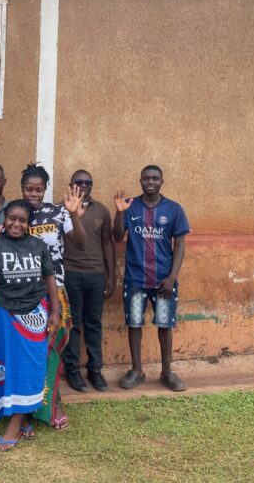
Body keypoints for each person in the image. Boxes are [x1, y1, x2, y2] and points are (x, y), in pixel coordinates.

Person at [0, 200, 60, 451]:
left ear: (28, 223)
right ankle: (18, 415)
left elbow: (49, 277)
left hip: (35, 312)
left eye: (22, 220)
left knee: (31, 365)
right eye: (12, 218)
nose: (16, 224)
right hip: (5, 312)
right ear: (5, 218)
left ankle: (18, 421)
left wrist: (55, 311)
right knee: (9, 365)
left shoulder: (37, 245)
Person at [112, 165, 190, 392]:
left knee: (165, 325)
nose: (150, 182)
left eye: (155, 178)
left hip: (163, 280)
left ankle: (167, 372)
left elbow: (180, 245)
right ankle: (136, 371)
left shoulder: (174, 209)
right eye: (146, 178)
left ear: (161, 182)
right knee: (134, 323)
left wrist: (172, 276)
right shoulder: (130, 205)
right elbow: (117, 236)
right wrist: (119, 212)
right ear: (140, 181)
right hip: (135, 279)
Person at [21, 163, 86, 430]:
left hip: (55, 291)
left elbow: (80, 243)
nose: (33, 194)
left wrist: (74, 215)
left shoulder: (58, 212)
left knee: (53, 348)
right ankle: (27, 406)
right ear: (22, 189)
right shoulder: (16, 213)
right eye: (29, 189)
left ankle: (54, 403)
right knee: (30, 351)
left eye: (38, 189)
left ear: (45, 189)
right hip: (25, 293)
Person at [62, 170, 116, 392]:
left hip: (96, 274)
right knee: (72, 324)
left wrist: (111, 275)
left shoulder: (101, 210)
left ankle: (95, 370)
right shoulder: (61, 209)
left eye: (88, 182)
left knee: (94, 323)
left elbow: (107, 243)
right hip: (70, 273)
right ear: (71, 184)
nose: (84, 185)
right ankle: (72, 370)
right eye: (79, 182)